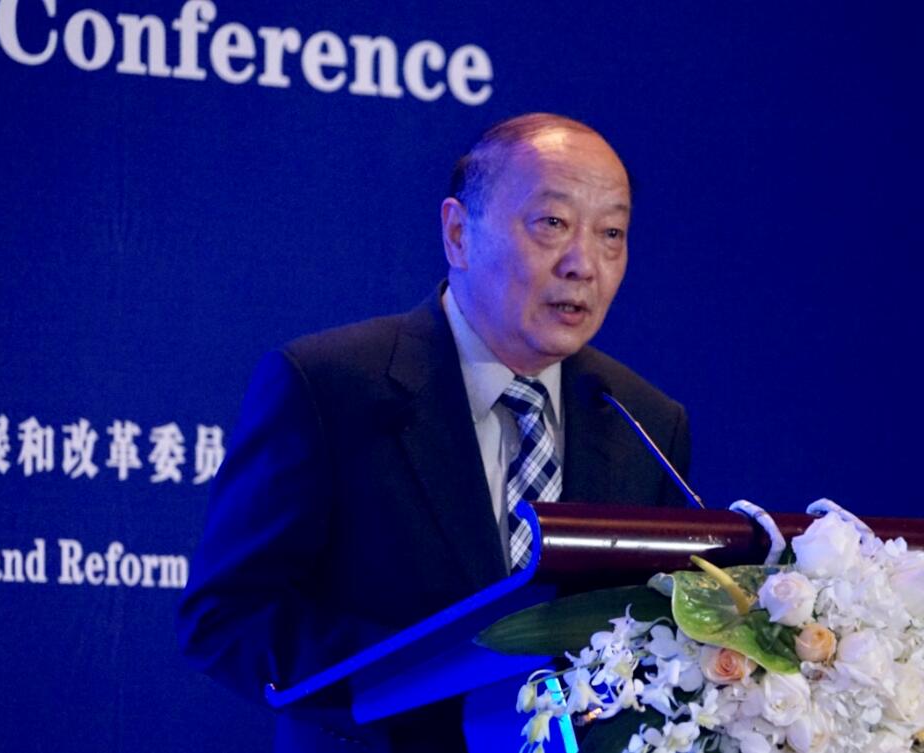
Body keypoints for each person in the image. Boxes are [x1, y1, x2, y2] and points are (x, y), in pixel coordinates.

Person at [176, 113, 691, 752]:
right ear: (458, 233)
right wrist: (431, 680)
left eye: (611, 233)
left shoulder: (644, 420)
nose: (584, 263)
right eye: (552, 223)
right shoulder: (331, 386)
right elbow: (227, 614)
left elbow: (657, 631)